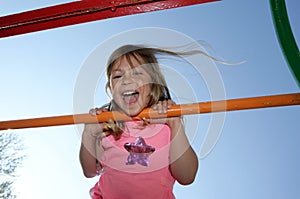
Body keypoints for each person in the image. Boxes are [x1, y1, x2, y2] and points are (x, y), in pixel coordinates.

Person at [79, 44, 199, 199]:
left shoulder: (165, 125)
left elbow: (187, 176)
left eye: (137, 73)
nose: (127, 81)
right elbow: (89, 171)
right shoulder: (110, 127)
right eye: (117, 76)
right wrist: (89, 133)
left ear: (152, 84)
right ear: (111, 89)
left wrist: (175, 124)